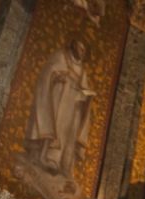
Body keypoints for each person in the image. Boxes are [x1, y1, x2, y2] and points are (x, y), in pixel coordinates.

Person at [25, 38, 96, 178]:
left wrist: (87, 96)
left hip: (73, 105)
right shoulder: (61, 57)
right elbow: (48, 72)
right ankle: (46, 157)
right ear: (74, 46)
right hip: (58, 99)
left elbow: (85, 89)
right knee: (55, 127)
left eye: (84, 51)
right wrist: (58, 76)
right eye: (80, 48)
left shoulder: (82, 71)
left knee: (67, 133)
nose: (81, 53)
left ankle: (62, 162)